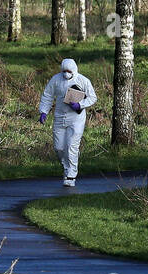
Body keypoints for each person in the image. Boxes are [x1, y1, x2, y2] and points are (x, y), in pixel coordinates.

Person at [37, 58, 97, 187]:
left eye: (69, 71)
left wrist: (80, 105)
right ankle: (66, 167)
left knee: (71, 146)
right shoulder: (56, 80)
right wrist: (43, 111)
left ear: (74, 70)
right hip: (59, 117)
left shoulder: (83, 80)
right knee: (59, 148)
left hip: (76, 118)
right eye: (64, 71)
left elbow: (92, 97)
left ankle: (71, 175)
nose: (66, 74)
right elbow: (47, 95)